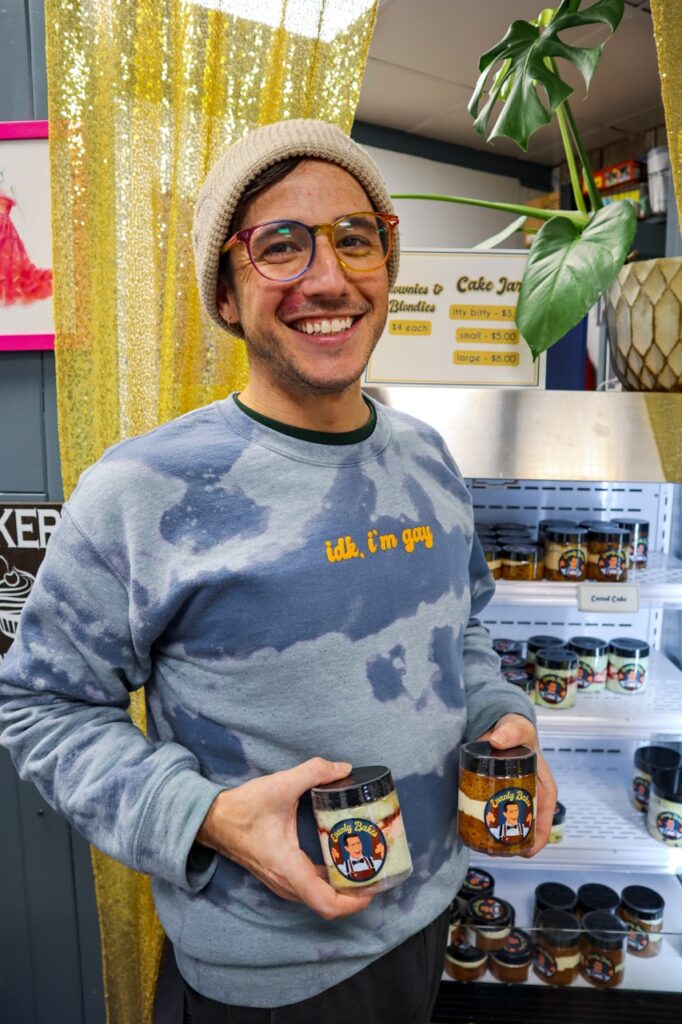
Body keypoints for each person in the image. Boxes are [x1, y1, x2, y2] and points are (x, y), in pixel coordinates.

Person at [0, 119, 556, 1023]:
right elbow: (39, 707)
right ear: (226, 289)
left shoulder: (427, 457)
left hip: (425, 925)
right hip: (259, 977)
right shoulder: (141, 489)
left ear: (387, 262)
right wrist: (203, 817)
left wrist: (506, 725)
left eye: (354, 238)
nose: (328, 278)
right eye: (281, 247)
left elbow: (464, 633)